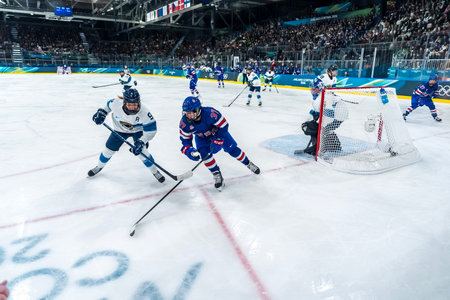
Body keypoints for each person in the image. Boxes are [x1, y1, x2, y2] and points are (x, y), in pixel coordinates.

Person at [179, 97, 260, 191]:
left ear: (197, 110)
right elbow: (185, 141)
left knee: (233, 150)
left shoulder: (210, 113)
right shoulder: (184, 123)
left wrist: (218, 140)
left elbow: (224, 125)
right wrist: (189, 151)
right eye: (186, 112)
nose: (187, 115)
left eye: (189, 113)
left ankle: (248, 163)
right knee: (204, 154)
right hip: (202, 138)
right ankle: (216, 173)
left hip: (217, 133)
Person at [88, 89, 165, 182]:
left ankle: (155, 171)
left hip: (138, 131)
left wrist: (141, 142)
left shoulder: (145, 112)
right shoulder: (116, 104)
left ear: (139, 102)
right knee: (108, 150)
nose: (132, 107)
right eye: (129, 104)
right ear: (124, 103)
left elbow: (151, 131)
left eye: (135, 104)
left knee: (143, 152)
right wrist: (102, 113)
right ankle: (99, 166)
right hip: (119, 130)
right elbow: (108, 105)